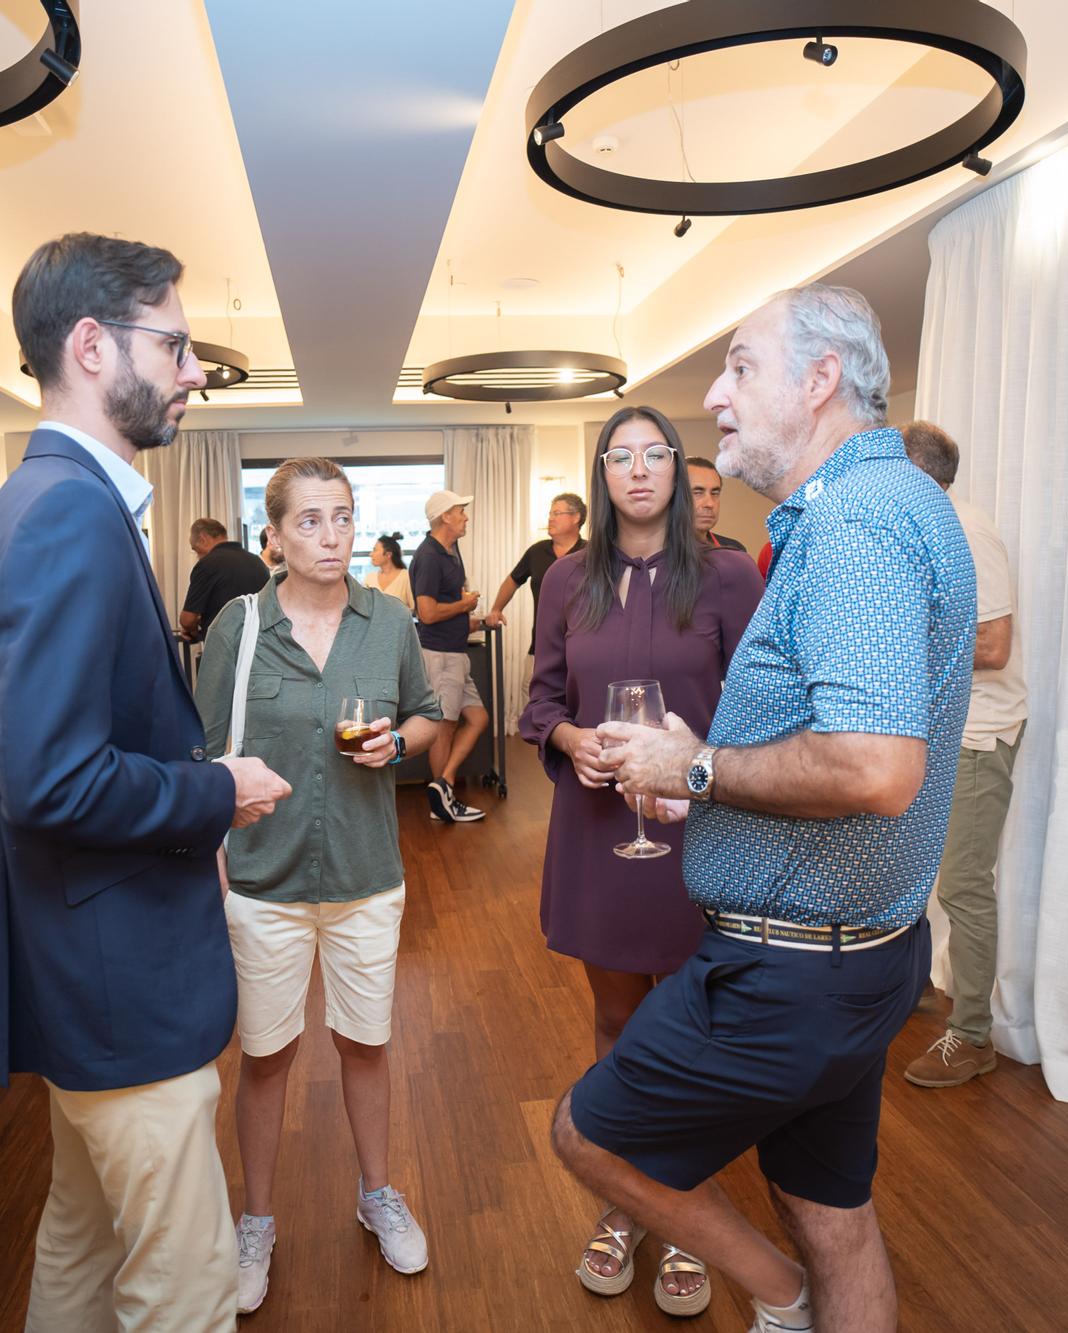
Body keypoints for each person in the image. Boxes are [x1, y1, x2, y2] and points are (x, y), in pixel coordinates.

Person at [555, 283, 975, 1333]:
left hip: (789, 974)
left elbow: (875, 768)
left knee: (586, 1135)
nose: (715, 392)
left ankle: (776, 1300)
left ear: (821, 379)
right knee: (831, 1214)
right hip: (861, 949)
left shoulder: (857, 524)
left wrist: (693, 769)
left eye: (740, 366)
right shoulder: (893, 504)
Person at [0, 231, 291, 1333]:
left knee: (79, 1243)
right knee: (182, 1290)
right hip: (119, 980)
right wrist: (216, 790)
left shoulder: (36, 499)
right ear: (94, 346)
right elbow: (52, 780)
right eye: (178, 344)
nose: (196, 371)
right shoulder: (66, 512)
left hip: (78, 970)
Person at [518, 408, 762, 1315]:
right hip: (597, 833)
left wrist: (698, 753)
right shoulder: (567, 580)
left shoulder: (730, 576)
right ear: (603, 473)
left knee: (696, 1033)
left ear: (676, 468)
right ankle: (627, 1207)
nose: (639, 470)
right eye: (619, 456)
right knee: (618, 1022)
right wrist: (574, 738)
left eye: (655, 453)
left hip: (699, 836)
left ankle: (688, 1212)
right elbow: (541, 703)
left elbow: (764, 712)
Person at [195, 458, 446, 1314]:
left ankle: (377, 1192)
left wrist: (398, 745)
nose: (331, 534)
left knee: (366, 1043)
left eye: (342, 517)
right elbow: (200, 754)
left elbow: (425, 712)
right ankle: (255, 1218)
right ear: (273, 536)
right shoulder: (238, 627)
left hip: (366, 874)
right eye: (309, 520)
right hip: (262, 879)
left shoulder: (390, 621)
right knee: (265, 1056)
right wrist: (215, 853)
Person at [899, 419, 1028, 1089]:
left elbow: (995, 646)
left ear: (916, 474)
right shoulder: (927, 527)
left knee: (964, 885)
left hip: (979, 735)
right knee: (916, 873)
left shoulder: (967, 531)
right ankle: (913, 988)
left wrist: (899, 646)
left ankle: (973, 1035)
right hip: (941, 730)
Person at [410, 490, 488, 824]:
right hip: (440, 655)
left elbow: (450, 609)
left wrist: (479, 619)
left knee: (478, 719)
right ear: (446, 517)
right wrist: (465, 605)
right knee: (444, 728)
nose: (465, 517)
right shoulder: (428, 556)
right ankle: (443, 802)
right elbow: (426, 613)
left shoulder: (452, 551)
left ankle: (443, 784)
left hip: (456, 653)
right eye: (461, 511)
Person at [485, 493, 588, 655]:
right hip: (542, 646)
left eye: (557, 513)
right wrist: (496, 609)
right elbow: (513, 580)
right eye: (550, 514)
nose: (551, 518)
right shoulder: (537, 551)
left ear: (576, 517)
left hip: (582, 646)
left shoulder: (591, 553)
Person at [179, 517, 270, 642]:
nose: (198, 556)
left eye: (196, 550)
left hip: (225, 649)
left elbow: (187, 620)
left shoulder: (207, 564)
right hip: (260, 645)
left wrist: (193, 629)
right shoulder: (258, 562)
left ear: (202, 539)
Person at [686, 456, 751, 553]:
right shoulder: (657, 551)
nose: (710, 504)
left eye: (714, 493)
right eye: (698, 493)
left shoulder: (734, 551)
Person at [363, 533, 414, 611]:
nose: (371, 554)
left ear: (388, 554)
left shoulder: (406, 577)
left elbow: (413, 608)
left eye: (375, 550)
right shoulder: (370, 578)